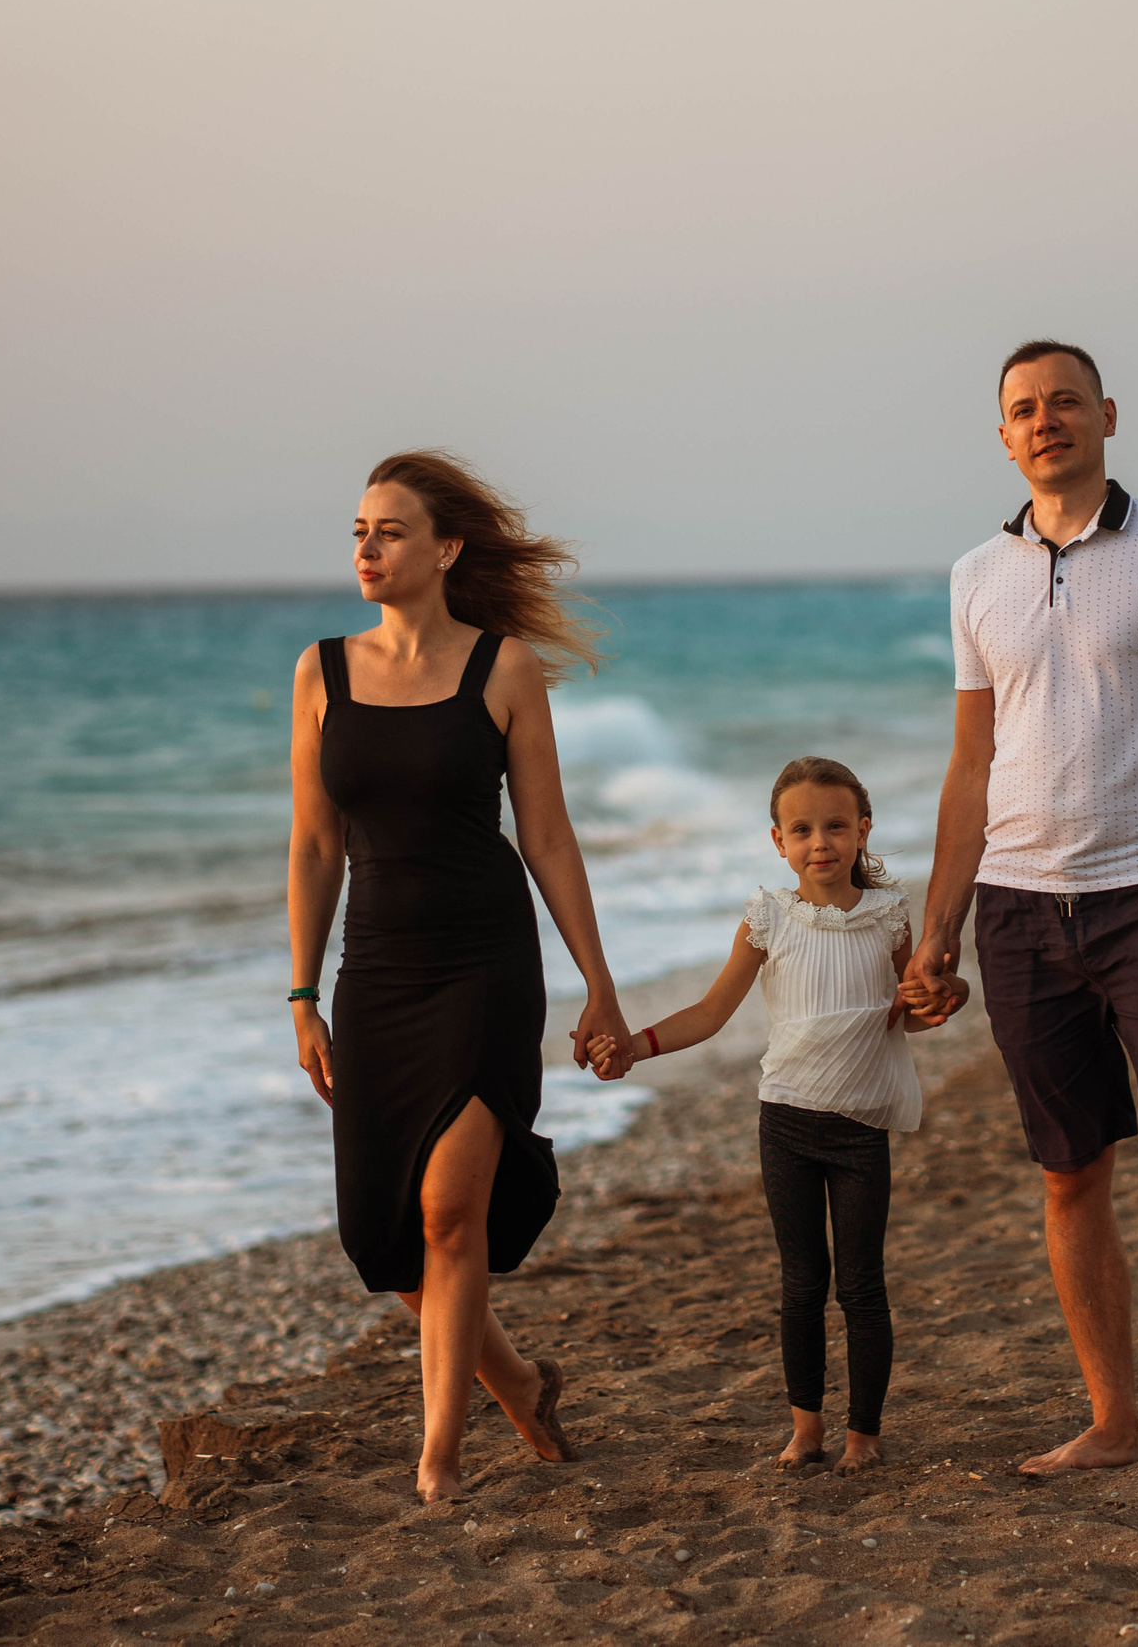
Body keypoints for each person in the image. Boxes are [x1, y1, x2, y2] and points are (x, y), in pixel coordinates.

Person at [901, 339, 1138, 1491]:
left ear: (1106, 415)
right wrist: (936, 930)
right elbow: (971, 764)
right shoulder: (976, 574)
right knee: (1069, 1176)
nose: (1045, 420)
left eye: (1064, 401)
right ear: (1003, 433)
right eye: (1023, 408)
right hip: (1018, 912)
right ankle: (1111, 1422)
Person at [287, 450, 631, 1503]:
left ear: (443, 550)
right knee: (383, 1240)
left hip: (484, 963)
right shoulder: (321, 672)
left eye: (388, 532)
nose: (366, 548)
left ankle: (437, 1461)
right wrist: (301, 993)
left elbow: (550, 840)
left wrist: (599, 985)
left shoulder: (503, 669)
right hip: (376, 972)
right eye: (358, 531)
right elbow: (312, 848)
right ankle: (521, 1383)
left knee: (449, 1215)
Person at [593, 757, 957, 1475]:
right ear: (777, 840)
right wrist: (636, 1046)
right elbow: (711, 1009)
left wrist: (947, 996)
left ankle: (864, 1434)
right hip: (785, 1119)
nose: (819, 841)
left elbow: (913, 1014)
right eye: (801, 829)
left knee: (860, 1284)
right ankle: (806, 1429)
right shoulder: (767, 918)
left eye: (834, 826)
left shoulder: (889, 917)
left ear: (863, 830)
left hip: (860, 1125)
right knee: (801, 1280)